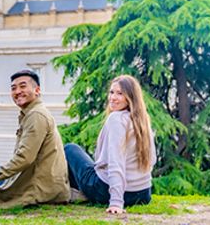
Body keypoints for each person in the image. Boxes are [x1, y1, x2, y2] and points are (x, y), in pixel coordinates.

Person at [0, 70, 70, 208]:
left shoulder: (36, 116)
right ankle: (4, 192)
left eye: (23, 86)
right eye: (13, 88)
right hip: (35, 176)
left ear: (37, 90)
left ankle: (5, 195)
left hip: (40, 186)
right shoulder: (30, 114)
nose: (17, 91)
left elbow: (24, 158)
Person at [64, 75, 156, 214]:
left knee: (70, 149)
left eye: (120, 93)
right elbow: (152, 159)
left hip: (109, 192)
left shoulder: (116, 119)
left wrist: (116, 202)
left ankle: (71, 193)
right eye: (111, 92)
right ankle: (79, 193)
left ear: (130, 97)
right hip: (143, 194)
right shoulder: (142, 120)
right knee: (89, 162)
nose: (113, 97)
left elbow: (116, 162)